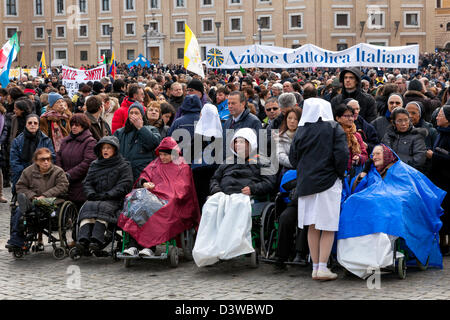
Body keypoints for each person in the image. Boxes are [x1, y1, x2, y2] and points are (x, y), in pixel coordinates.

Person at [337, 144, 446, 278]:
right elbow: (358, 188)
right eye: (373, 155)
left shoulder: (400, 169)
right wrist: (363, 174)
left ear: (387, 155)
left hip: (387, 206)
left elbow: (410, 191)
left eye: (378, 154)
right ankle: (353, 255)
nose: (374, 157)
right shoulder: (371, 171)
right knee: (351, 202)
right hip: (370, 207)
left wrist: (387, 195)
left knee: (385, 205)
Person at [193, 128, 276, 267]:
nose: (238, 145)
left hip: (246, 197)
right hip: (223, 195)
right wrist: (217, 190)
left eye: (242, 142)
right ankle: (209, 249)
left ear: (251, 144)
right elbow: (214, 179)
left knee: (237, 205)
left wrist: (253, 189)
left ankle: (232, 246)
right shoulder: (228, 161)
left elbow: (270, 182)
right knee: (210, 205)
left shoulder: (263, 161)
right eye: (236, 142)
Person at [289, 98, 349, 280]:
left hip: (306, 184)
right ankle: (322, 267)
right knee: (328, 226)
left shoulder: (301, 130)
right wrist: (340, 173)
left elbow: (293, 159)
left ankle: (315, 267)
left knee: (312, 226)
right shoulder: (333, 128)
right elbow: (342, 155)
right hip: (328, 182)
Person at [119, 137, 200, 257]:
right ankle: (133, 246)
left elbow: (182, 188)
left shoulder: (182, 167)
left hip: (169, 202)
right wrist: (145, 183)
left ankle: (148, 246)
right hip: (151, 197)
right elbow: (145, 175)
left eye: (165, 155)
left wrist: (160, 192)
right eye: (160, 154)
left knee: (150, 209)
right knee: (136, 205)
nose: (162, 158)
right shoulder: (155, 164)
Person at [76, 136, 133, 253]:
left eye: (108, 148)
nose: (105, 150)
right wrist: (91, 194)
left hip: (114, 199)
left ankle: (96, 240)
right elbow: (87, 182)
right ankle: (83, 240)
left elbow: (125, 184)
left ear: (115, 150)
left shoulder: (123, 165)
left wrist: (108, 195)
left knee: (103, 208)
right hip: (96, 197)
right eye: (103, 148)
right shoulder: (94, 164)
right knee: (88, 206)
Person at [6, 148, 69, 250]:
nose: (46, 162)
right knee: (18, 211)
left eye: (48, 159)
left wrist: (44, 195)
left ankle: (29, 205)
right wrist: (33, 196)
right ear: (36, 161)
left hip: (52, 202)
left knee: (34, 206)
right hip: (33, 200)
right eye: (42, 159)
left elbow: (63, 186)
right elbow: (20, 187)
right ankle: (16, 241)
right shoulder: (28, 171)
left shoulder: (58, 171)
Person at [56, 113, 97, 209]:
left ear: (84, 126)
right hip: (64, 182)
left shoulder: (90, 142)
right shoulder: (65, 141)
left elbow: (88, 162)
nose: (74, 127)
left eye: (77, 125)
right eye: (72, 125)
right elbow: (58, 156)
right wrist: (61, 173)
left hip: (80, 184)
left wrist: (69, 174)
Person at [113, 102, 161, 182]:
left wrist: (140, 128)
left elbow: (154, 144)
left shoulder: (151, 129)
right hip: (123, 173)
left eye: (136, 113)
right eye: (131, 113)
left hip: (142, 173)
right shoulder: (120, 132)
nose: (133, 115)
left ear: (142, 115)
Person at [10, 114, 55, 196]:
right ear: (26, 124)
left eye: (35, 123)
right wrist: (25, 173)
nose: (32, 125)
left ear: (38, 125)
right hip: (22, 173)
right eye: (30, 123)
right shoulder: (17, 141)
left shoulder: (46, 140)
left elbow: (51, 157)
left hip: (41, 173)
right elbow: (14, 161)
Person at [427, 106, 450, 255]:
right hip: (438, 180)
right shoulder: (439, 133)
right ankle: (442, 241)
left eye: (440, 115)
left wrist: (434, 156)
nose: (437, 117)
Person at [191, 104, 223, 209]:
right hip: (215, 169)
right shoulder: (221, 130)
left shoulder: (200, 132)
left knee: (200, 198)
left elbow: (190, 152)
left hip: (198, 170)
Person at [381, 107, 427, 172]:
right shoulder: (388, 136)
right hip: (389, 171)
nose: (403, 124)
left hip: (410, 173)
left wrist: (396, 163)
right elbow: (383, 155)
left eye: (406, 120)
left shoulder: (416, 136)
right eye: (399, 121)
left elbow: (419, 160)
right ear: (393, 122)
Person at [405, 101, 438, 176]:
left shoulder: (431, 132)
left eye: (413, 113)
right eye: (407, 113)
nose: (409, 116)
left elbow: (436, 156)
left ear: (420, 115)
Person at [335, 104, 368, 173]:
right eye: (346, 116)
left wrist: (359, 158)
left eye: (352, 116)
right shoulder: (334, 134)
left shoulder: (357, 135)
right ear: (338, 118)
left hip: (353, 173)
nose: (350, 118)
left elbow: (364, 155)